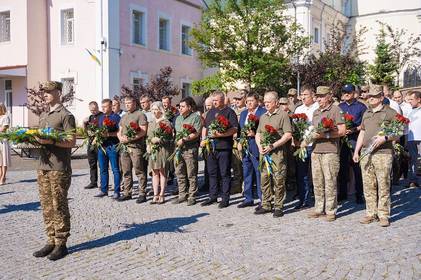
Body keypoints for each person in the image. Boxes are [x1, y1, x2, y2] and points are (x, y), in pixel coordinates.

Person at [32, 81, 76, 260]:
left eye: (50, 91)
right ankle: (50, 240)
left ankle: (61, 243)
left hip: (58, 167)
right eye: (44, 92)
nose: (46, 94)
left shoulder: (65, 115)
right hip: (43, 166)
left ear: (58, 92)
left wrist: (51, 142)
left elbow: (71, 142)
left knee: (59, 204)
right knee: (47, 205)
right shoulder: (43, 114)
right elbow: (41, 137)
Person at [353, 85, 400, 227]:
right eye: (369, 96)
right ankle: (370, 213)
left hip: (383, 153)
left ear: (381, 97)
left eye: (374, 96)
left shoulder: (390, 112)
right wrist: (356, 151)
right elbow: (362, 132)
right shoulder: (366, 113)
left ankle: (383, 214)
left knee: (383, 183)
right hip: (366, 153)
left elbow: (399, 132)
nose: (370, 98)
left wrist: (385, 138)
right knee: (368, 184)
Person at [307, 86, 345, 222]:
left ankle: (330, 210)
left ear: (329, 96)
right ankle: (318, 208)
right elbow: (313, 130)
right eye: (317, 96)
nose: (319, 99)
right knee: (317, 181)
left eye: (322, 96)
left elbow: (342, 131)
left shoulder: (336, 110)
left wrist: (325, 135)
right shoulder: (316, 111)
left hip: (330, 150)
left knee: (330, 181)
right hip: (316, 150)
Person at [254, 91, 292, 217]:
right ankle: (266, 204)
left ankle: (278, 206)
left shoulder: (283, 115)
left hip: (277, 153)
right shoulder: (263, 116)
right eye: (264, 102)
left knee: (278, 179)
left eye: (268, 102)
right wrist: (260, 146)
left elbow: (287, 135)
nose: (266, 104)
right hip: (264, 153)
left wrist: (273, 145)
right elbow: (258, 133)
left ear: (276, 103)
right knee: (264, 178)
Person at [201, 91, 239, 208]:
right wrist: (203, 139)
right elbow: (206, 127)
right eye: (213, 100)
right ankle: (212, 196)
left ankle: (225, 198)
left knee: (224, 173)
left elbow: (234, 129)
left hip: (224, 147)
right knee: (212, 173)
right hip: (211, 147)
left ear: (222, 100)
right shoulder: (210, 112)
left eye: (216, 100)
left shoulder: (229, 112)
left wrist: (221, 135)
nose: (214, 102)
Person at [338, 84, 367, 204]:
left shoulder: (361, 107)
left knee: (357, 168)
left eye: (348, 92)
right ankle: (343, 193)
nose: (346, 94)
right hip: (343, 140)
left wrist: (355, 129)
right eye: (344, 92)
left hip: (355, 139)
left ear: (354, 93)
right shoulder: (340, 107)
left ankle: (359, 194)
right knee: (343, 167)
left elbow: (365, 124)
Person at [237, 93, 266, 209]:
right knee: (247, 172)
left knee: (258, 172)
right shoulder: (244, 113)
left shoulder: (262, 112)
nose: (249, 103)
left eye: (251, 100)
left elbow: (266, 129)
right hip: (245, 145)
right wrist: (240, 141)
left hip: (256, 144)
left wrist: (255, 134)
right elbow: (241, 130)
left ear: (257, 101)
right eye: (247, 101)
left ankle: (262, 198)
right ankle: (248, 198)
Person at [117, 96, 148, 202]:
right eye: (125, 103)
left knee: (139, 171)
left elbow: (143, 131)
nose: (127, 105)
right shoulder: (124, 116)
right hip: (124, 148)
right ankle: (127, 192)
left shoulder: (140, 115)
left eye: (129, 103)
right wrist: (120, 138)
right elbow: (119, 130)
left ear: (135, 103)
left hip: (136, 147)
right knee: (126, 171)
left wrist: (129, 139)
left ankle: (142, 193)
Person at [172, 97, 202, 205]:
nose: (180, 108)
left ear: (189, 107)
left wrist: (184, 139)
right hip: (179, 149)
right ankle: (182, 195)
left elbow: (197, 133)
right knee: (179, 172)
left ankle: (192, 195)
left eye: (183, 106)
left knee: (191, 173)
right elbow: (175, 132)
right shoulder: (178, 118)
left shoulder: (195, 118)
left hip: (190, 149)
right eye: (179, 106)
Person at [293, 85, 319, 209]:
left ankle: (318, 200)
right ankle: (304, 199)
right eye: (302, 95)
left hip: (315, 144)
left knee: (316, 174)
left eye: (306, 95)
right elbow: (295, 127)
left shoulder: (317, 108)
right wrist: (297, 140)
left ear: (313, 95)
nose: (303, 97)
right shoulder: (298, 109)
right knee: (301, 174)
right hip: (302, 145)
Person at [146, 101, 174, 204]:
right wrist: (148, 145)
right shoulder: (151, 122)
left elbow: (169, 138)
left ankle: (162, 194)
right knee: (154, 173)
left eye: (156, 109)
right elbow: (148, 137)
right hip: (153, 151)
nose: (154, 111)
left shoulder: (166, 122)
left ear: (161, 110)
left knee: (162, 172)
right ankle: (155, 194)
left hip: (162, 150)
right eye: (152, 109)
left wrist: (160, 140)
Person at [94, 99, 121, 199]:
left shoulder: (116, 118)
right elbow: (98, 130)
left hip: (112, 146)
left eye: (105, 106)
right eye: (102, 107)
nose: (103, 108)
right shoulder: (101, 118)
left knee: (115, 169)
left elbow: (119, 133)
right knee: (103, 169)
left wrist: (108, 134)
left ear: (110, 107)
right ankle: (104, 190)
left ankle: (117, 191)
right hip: (102, 146)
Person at [83, 101, 103, 189]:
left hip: (100, 143)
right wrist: (84, 123)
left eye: (94, 110)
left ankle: (103, 183)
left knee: (102, 164)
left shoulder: (102, 116)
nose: (93, 112)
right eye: (91, 110)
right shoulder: (90, 117)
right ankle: (93, 182)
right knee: (92, 163)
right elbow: (86, 131)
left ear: (97, 107)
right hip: (91, 143)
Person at [406, 90, 421, 188]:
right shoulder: (410, 110)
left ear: (419, 99)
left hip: (420, 138)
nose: (409, 101)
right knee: (413, 160)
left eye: (412, 99)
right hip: (411, 138)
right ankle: (413, 181)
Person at [0, 103, 11, 185]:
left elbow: (3, 128)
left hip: (3, 140)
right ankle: (0, 175)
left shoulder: (5, 117)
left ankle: (3, 177)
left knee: (4, 159)